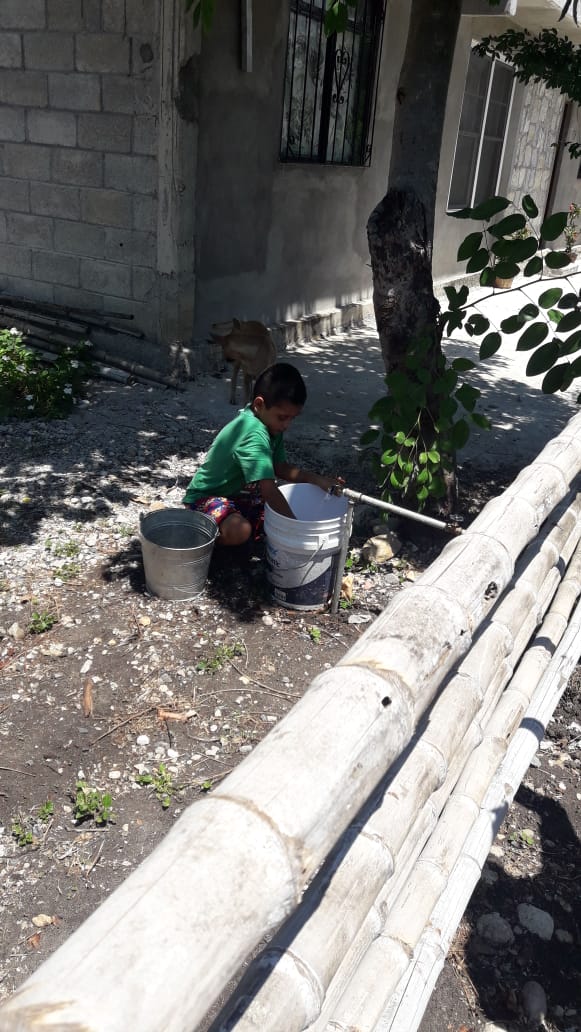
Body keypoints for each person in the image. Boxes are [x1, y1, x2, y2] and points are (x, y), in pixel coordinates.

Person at [183, 362, 343, 547]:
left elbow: (279, 467)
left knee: (273, 517)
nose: (286, 425)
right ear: (259, 404)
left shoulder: (270, 425)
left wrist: (316, 479)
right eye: (282, 417)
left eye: (292, 418)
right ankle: (196, 539)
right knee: (241, 530)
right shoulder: (254, 434)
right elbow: (269, 491)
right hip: (204, 500)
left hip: (237, 497)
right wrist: (298, 530)